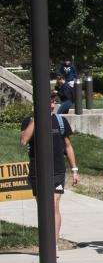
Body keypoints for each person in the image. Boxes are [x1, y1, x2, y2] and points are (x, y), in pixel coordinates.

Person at [19, 92, 79, 243]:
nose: (52, 105)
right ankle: (46, 241)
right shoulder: (28, 121)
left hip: (57, 170)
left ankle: (53, 243)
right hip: (37, 170)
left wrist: (74, 170)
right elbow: (23, 141)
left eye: (53, 102)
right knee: (43, 207)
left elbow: (68, 146)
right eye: (48, 102)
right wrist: (35, 118)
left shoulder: (60, 121)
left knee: (53, 205)